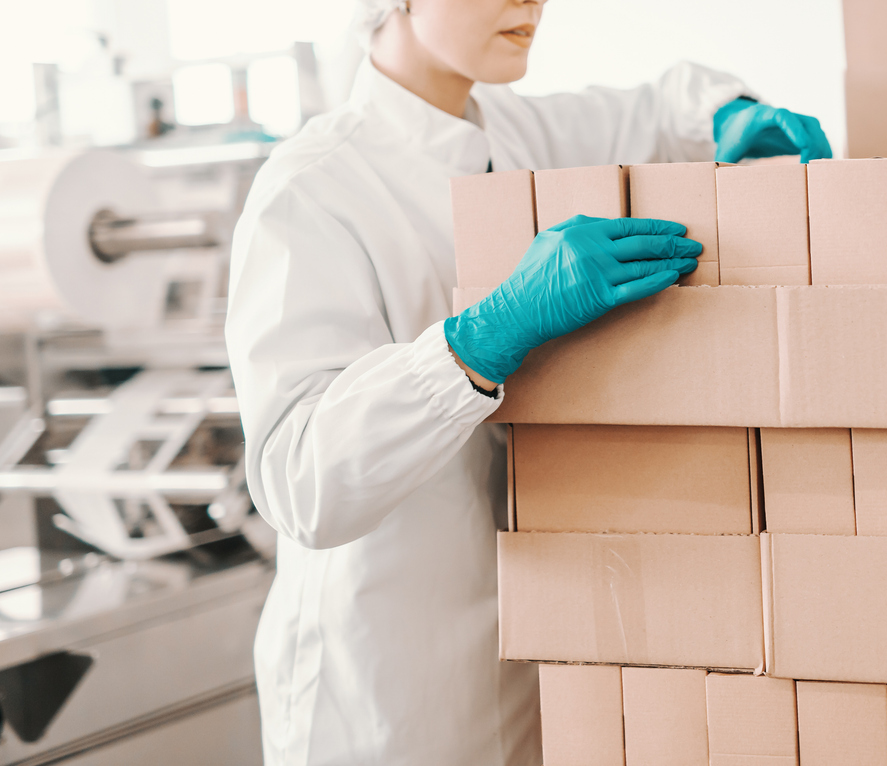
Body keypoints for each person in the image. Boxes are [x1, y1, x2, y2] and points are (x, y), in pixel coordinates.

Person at [225, 0, 832, 763]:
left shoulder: (514, 134)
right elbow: (296, 481)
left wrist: (729, 115)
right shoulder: (313, 189)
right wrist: (481, 339)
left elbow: (656, 107)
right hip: (386, 685)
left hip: (532, 654)